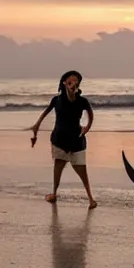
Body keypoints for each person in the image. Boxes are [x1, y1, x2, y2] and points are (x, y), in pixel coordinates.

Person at [29, 71, 97, 208]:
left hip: (77, 140)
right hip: (59, 140)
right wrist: (36, 126)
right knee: (58, 168)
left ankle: (91, 199)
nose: (74, 82)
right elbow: (45, 113)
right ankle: (54, 194)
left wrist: (87, 127)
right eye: (71, 81)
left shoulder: (82, 101)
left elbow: (91, 115)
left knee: (82, 170)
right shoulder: (57, 100)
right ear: (65, 82)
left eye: (76, 81)